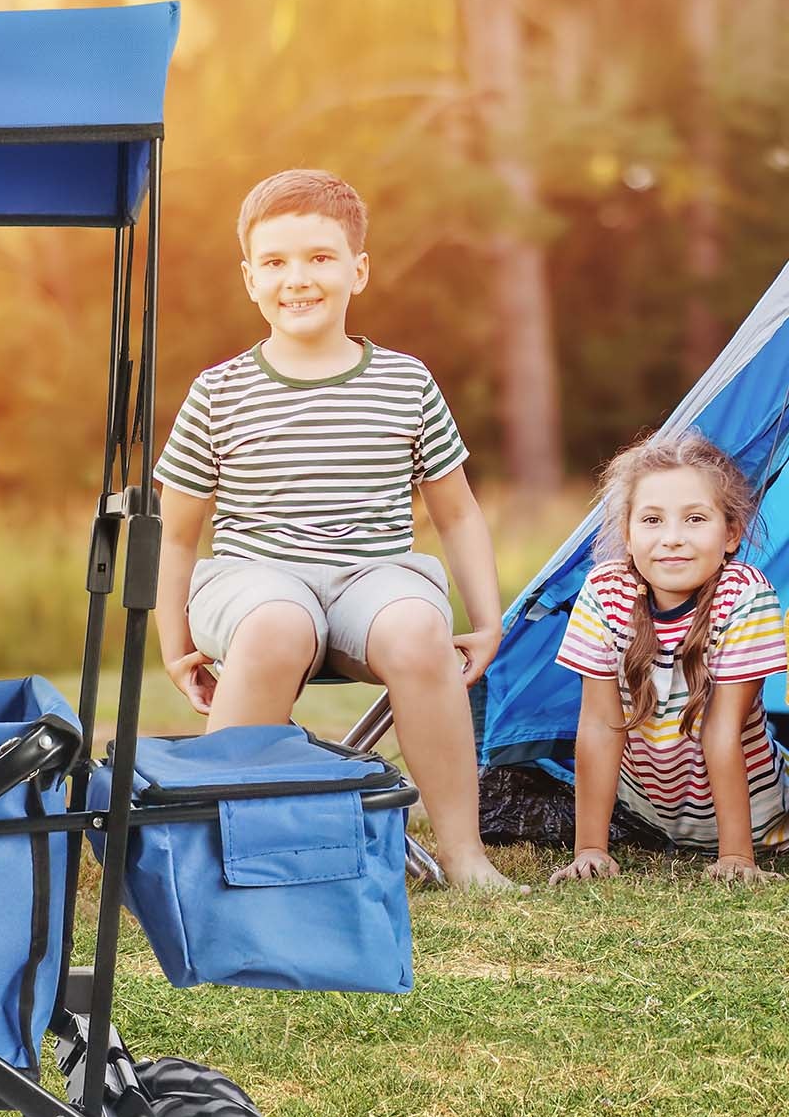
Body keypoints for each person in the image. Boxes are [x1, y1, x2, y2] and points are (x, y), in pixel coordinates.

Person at [154, 169, 514, 890]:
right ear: (250, 278)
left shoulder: (405, 382)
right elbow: (176, 536)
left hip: (371, 578)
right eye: (277, 262)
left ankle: (466, 857)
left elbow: (457, 513)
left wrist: (488, 619)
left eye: (319, 257)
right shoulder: (218, 392)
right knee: (276, 625)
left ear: (359, 269)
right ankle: (214, 859)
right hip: (255, 582)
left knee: (417, 627)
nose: (299, 279)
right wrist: (175, 645)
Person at [549, 433, 789, 884]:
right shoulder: (604, 591)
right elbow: (600, 725)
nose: (672, 539)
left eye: (695, 519)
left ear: (731, 533)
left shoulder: (744, 594)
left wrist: (737, 855)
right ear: (628, 534)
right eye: (652, 520)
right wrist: (590, 850)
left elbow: (723, 730)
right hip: (649, 818)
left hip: (760, 821)